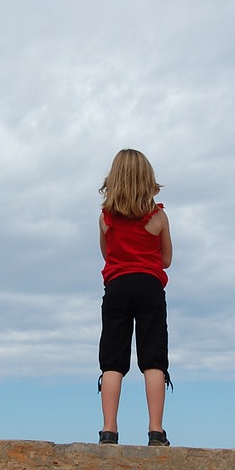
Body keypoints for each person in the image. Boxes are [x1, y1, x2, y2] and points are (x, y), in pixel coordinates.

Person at [97, 149, 173, 445]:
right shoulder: (159, 218)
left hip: (116, 287)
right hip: (149, 288)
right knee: (153, 359)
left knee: (112, 361)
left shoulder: (105, 219)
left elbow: (107, 255)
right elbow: (166, 259)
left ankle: (108, 431)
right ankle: (156, 431)